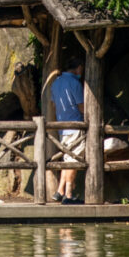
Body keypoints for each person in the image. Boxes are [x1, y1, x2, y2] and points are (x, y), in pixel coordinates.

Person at [47, 56, 85, 203]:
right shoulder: (75, 83)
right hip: (75, 125)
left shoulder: (55, 83)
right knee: (74, 159)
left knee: (68, 157)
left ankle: (59, 190)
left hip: (62, 126)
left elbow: (54, 105)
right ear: (79, 68)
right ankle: (68, 194)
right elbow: (81, 106)